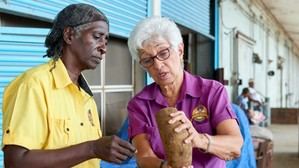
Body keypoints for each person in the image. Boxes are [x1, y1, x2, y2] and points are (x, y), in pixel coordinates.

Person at [2, 3, 136, 168]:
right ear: (69, 35)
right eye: (97, 36)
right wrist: (92, 148)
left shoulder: (86, 97)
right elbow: (16, 162)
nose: (103, 48)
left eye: (106, 40)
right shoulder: (33, 85)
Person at [127, 16, 243, 168]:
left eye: (163, 53)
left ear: (180, 50)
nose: (158, 65)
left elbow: (235, 146)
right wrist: (164, 166)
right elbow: (143, 156)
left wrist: (199, 139)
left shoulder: (212, 92)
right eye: (148, 60)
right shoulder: (139, 104)